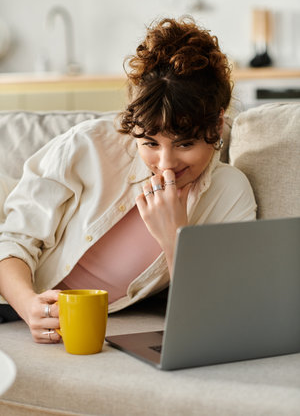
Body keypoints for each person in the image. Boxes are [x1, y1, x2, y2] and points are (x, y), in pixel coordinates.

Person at [0, 17, 256, 343]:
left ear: (218, 126)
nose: (165, 164)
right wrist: (29, 306)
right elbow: (14, 239)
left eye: (185, 144)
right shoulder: (90, 146)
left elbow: (215, 317)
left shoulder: (230, 194)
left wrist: (176, 238)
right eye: (150, 143)